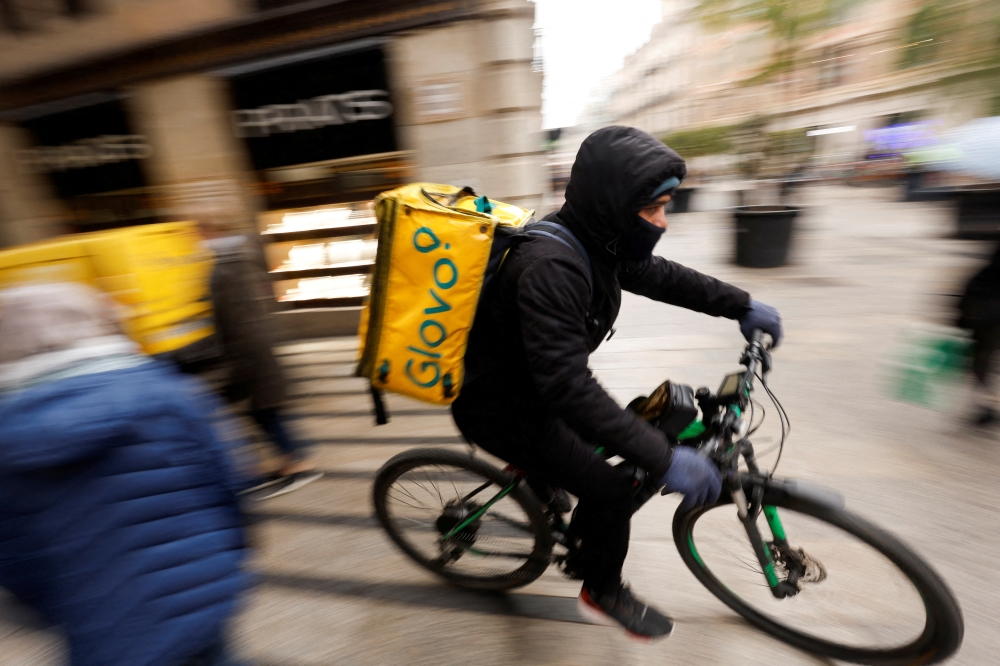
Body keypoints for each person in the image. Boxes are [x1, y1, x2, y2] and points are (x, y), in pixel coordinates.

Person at [452, 126, 782, 640]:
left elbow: (664, 277)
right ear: (615, 204)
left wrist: (740, 303)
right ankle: (600, 588)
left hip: (532, 384)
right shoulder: (551, 267)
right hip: (503, 407)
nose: (663, 222)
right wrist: (664, 459)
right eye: (654, 209)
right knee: (610, 489)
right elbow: (567, 387)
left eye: (665, 206)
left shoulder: (598, 238)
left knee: (642, 424)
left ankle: (544, 480)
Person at [0, 282, 253, 666]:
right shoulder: (164, 392)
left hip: (99, 616)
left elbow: (13, 549)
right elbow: (225, 481)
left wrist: (50, 606)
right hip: (200, 589)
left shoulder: (7, 430)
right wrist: (231, 550)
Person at [192, 211, 322, 500]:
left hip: (250, 357)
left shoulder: (224, 269)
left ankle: (295, 464)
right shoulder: (238, 262)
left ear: (209, 234)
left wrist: (235, 362)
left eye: (198, 234)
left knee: (260, 413)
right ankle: (291, 461)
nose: (195, 241)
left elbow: (234, 321)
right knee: (262, 413)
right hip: (254, 355)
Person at [957, 242, 1000, 425]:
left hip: (982, 311)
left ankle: (984, 405)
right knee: (983, 360)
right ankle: (985, 405)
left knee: (981, 361)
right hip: (988, 313)